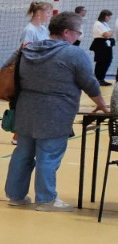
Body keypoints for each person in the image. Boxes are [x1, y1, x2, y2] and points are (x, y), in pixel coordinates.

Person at [7, 12, 109, 209]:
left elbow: (7, 69)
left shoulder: (27, 49)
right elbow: (90, 83)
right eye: (78, 33)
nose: (79, 37)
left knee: (22, 154)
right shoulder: (74, 54)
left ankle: (16, 196)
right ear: (67, 32)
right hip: (56, 113)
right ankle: (46, 200)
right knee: (48, 155)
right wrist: (103, 105)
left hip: (25, 109)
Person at [93, 9, 114, 83]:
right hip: (100, 44)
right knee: (101, 61)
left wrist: (110, 33)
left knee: (107, 60)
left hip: (106, 44)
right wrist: (110, 32)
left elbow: (110, 33)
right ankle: (98, 79)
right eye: (108, 16)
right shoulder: (98, 24)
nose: (109, 18)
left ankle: (101, 78)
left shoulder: (104, 24)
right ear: (104, 16)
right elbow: (106, 34)